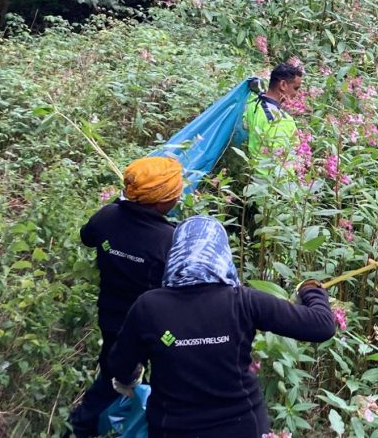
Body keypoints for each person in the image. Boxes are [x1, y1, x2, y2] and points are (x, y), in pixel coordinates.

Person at [108, 215, 335, 438]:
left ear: (176, 251)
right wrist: (311, 288)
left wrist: (131, 379)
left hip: (172, 428)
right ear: (221, 253)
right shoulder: (243, 301)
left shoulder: (148, 306)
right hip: (243, 426)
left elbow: (120, 366)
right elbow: (321, 325)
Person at [67, 156, 183, 438]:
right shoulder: (169, 239)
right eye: (176, 191)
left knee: (112, 376)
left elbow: (87, 237)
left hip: (112, 316)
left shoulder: (107, 217)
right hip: (156, 326)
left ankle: (78, 428)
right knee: (166, 384)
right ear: (162, 201)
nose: (179, 195)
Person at [243, 61, 303, 168]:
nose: (296, 94)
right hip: (273, 181)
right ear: (283, 85)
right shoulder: (279, 120)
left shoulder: (252, 103)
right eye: (295, 88)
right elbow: (281, 162)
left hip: (255, 174)